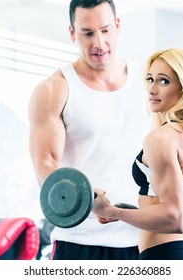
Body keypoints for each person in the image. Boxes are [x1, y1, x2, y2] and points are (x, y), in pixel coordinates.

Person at [28, 0, 150, 260]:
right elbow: (46, 167)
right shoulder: (55, 89)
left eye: (105, 30)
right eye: (88, 33)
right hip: (79, 240)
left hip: (143, 238)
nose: (99, 43)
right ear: (72, 33)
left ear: (117, 26)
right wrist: (86, 197)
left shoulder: (147, 82)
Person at [92, 48, 183, 260]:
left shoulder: (161, 138)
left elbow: (174, 219)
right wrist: (134, 213)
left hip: (167, 257)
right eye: (150, 79)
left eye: (163, 81)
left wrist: (110, 211)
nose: (152, 89)